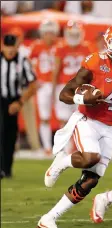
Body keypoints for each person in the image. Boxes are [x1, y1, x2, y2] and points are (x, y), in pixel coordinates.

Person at [37, 24, 112, 228]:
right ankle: (62, 161)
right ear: (109, 44)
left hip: (109, 127)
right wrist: (84, 98)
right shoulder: (95, 61)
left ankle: (49, 218)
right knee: (91, 157)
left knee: (90, 180)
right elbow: (64, 94)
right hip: (86, 119)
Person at [0, 34, 37, 178]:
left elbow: (33, 84)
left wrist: (20, 102)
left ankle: (6, 169)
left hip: (14, 100)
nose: (10, 50)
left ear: (17, 47)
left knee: (9, 136)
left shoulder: (22, 61)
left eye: (12, 46)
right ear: (3, 46)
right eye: (7, 46)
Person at [52, 20, 94, 132]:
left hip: (81, 88)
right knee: (63, 118)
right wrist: (53, 90)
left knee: (82, 119)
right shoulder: (61, 48)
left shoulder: (87, 47)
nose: (74, 37)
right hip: (64, 86)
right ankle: (65, 147)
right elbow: (56, 71)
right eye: (72, 34)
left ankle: (78, 146)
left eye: (76, 34)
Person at [29, 19, 60, 155]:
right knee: (44, 116)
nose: (49, 35)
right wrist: (34, 80)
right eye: (47, 33)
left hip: (58, 84)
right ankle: (47, 147)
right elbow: (28, 64)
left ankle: (62, 147)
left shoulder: (60, 46)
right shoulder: (36, 46)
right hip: (43, 85)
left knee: (63, 116)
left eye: (51, 33)